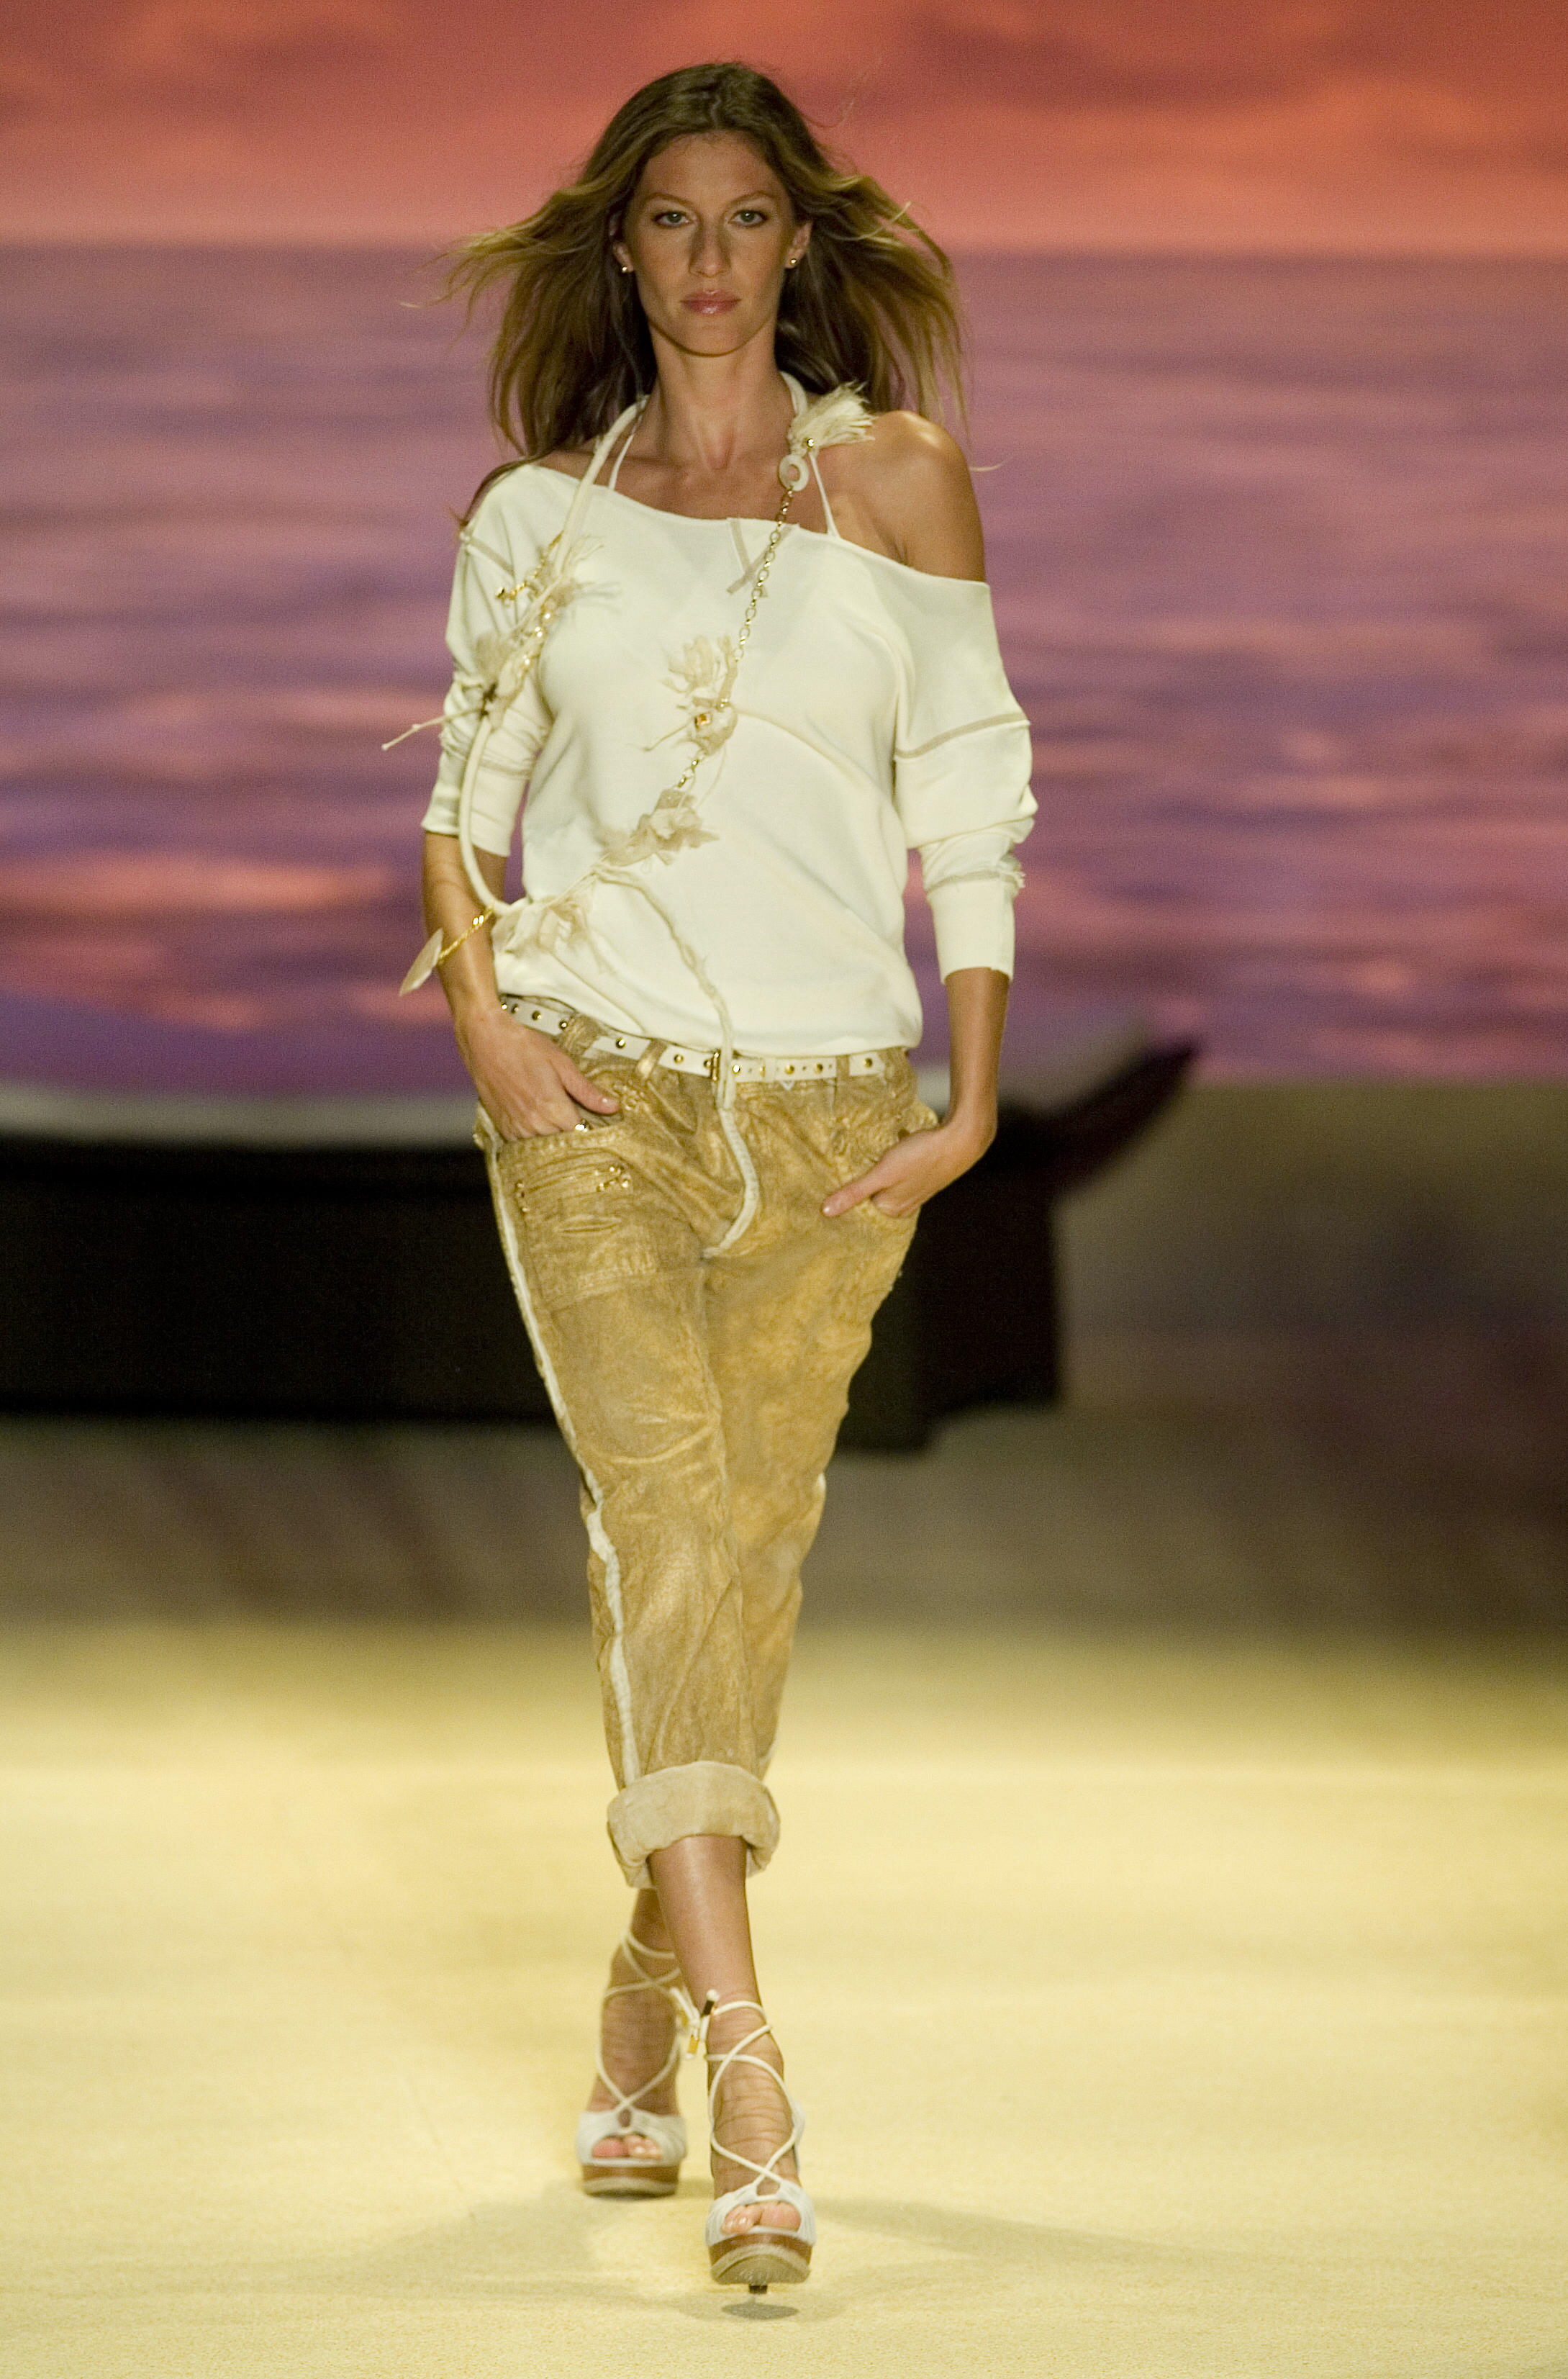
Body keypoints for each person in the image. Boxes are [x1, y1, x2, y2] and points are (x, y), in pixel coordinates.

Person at [407, 60, 1034, 2290]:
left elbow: (968, 798)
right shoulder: (535, 518)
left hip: (837, 1109)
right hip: (601, 1095)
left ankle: (636, 1979)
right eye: (668, 219)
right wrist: (492, 1028)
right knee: (662, 1522)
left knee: (743, 1563)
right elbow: (461, 803)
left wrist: (968, 1098)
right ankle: (752, 2067)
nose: (704, 257)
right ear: (622, 249)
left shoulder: (898, 483)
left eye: (743, 217)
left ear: (796, 243)